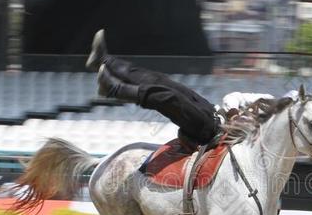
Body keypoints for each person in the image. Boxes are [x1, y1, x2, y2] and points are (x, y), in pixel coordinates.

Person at [86, 30, 271, 148]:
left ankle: (113, 89)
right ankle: (104, 60)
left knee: (168, 98)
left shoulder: (280, 131)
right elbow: (234, 96)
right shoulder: (271, 101)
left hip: (212, 132)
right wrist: (233, 112)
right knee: (161, 80)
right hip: (211, 112)